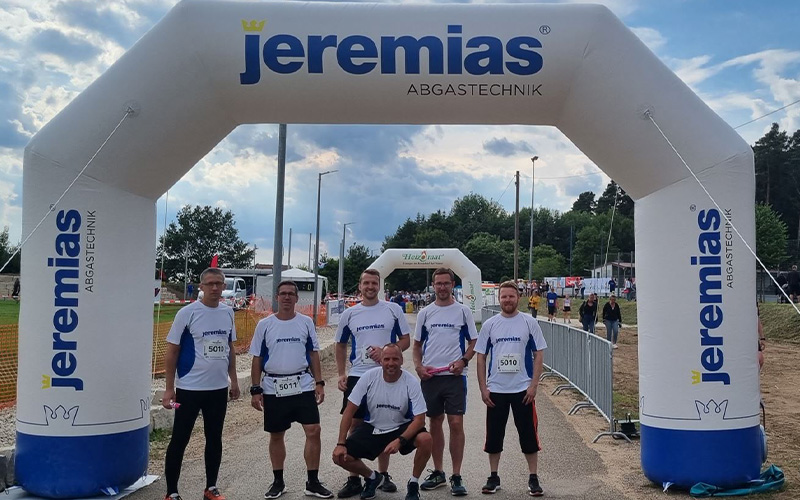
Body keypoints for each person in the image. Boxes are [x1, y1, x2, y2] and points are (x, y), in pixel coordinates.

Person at [161, 268, 241, 500]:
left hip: (217, 389)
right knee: (180, 439)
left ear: (224, 286)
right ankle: (171, 492)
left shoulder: (228, 312)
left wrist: (234, 381)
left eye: (219, 283)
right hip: (189, 389)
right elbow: (172, 351)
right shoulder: (187, 313)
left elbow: (230, 348)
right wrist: (169, 388)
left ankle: (211, 487)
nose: (215, 288)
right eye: (210, 283)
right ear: (201, 286)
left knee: (214, 438)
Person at [249, 280, 332, 499]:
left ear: (296, 298)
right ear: (277, 297)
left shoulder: (306, 322)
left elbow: (313, 353)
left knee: (313, 430)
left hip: (302, 384)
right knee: (277, 434)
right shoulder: (265, 325)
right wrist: (255, 389)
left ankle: (313, 482)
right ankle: (278, 481)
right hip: (274, 386)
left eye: (290, 294)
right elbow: (257, 358)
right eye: (283, 293)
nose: (287, 297)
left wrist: (319, 382)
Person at [335, 269, 412, 498]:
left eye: (374, 283)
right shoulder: (350, 313)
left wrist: (388, 350)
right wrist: (341, 373)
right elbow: (340, 344)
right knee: (355, 423)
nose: (370, 287)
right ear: (360, 286)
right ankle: (354, 478)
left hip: (386, 374)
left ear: (380, 286)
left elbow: (406, 340)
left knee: (383, 422)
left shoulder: (393, 309)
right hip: (358, 374)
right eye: (366, 283)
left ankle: (383, 474)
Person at [332, 343, 433, 500]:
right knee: (339, 457)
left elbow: (420, 420)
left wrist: (400, 440)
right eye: (387, 359)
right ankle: (372, 478)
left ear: (401, 360)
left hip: (400, 427)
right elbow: (349, 411)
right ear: (381, 361)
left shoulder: (411, 381)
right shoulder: (369, 377)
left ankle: (413, 484)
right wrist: (340, 443)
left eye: (395, 359)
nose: (391, 363)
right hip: (374, 426)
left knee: (426, 439)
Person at [474, 281, 547, 497]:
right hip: (496, 390)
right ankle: (493, 476)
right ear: (499, 299)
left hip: (522, 390)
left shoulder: (529, 322)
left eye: (511, 296)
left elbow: (539, 354)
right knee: (494, 435)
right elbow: (481, 357)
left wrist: (534, 385)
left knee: (528, 435)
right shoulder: (490, 325)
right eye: (504, 297)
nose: (507, 300)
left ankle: (533, 477)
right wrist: (483, 388)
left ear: (518, 298)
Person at [412, 268, 477, 496]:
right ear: (433, 285)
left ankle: (456, 475)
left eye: (446, 283)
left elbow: (474, 342)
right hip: (431, 377)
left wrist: (463, 361)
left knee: (456, 423)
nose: (442, 287)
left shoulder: (463, 311)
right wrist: (419, 367)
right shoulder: (425, 313)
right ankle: (438, 472)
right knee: (435, 423)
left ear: (452, 284)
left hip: (455, 377)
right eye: (438, 283)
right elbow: (417, 345)